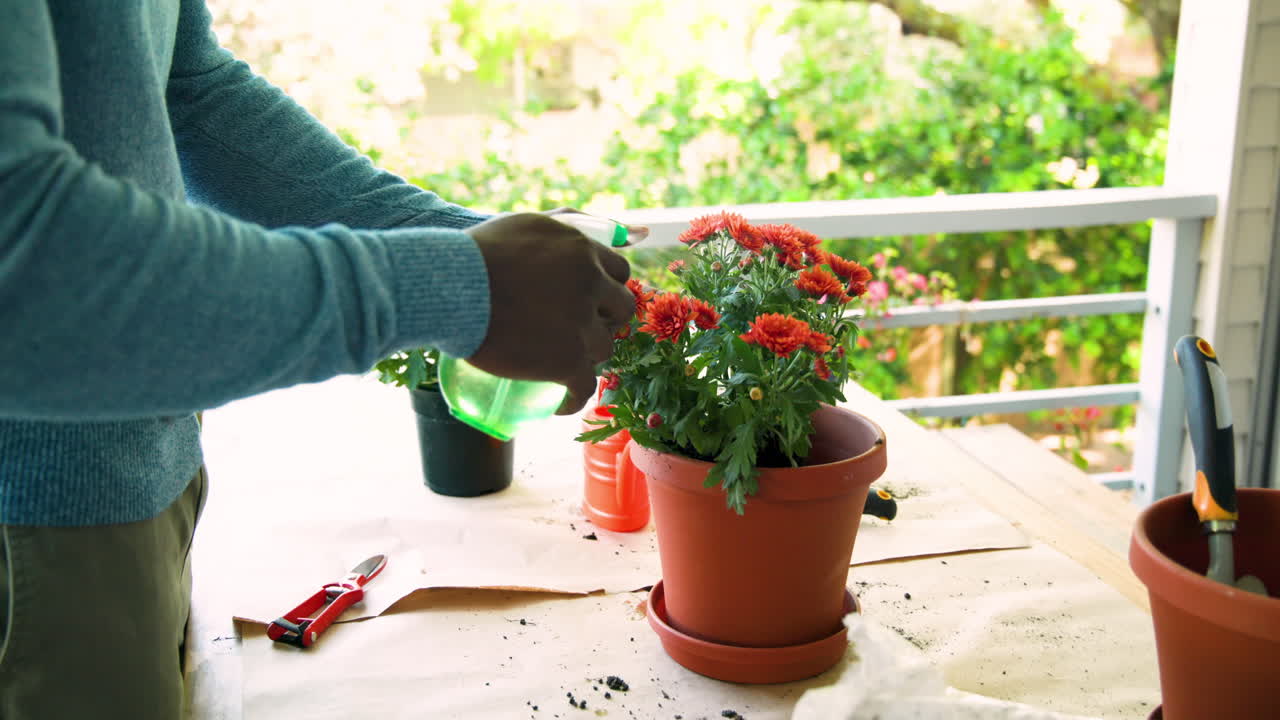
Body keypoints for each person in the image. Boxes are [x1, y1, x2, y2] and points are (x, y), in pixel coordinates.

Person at [0, 2, 638, 718]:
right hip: (31, 517)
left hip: (134, 471)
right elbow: (26, 260)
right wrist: (457, 286)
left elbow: (192, 94)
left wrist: (479, 250)